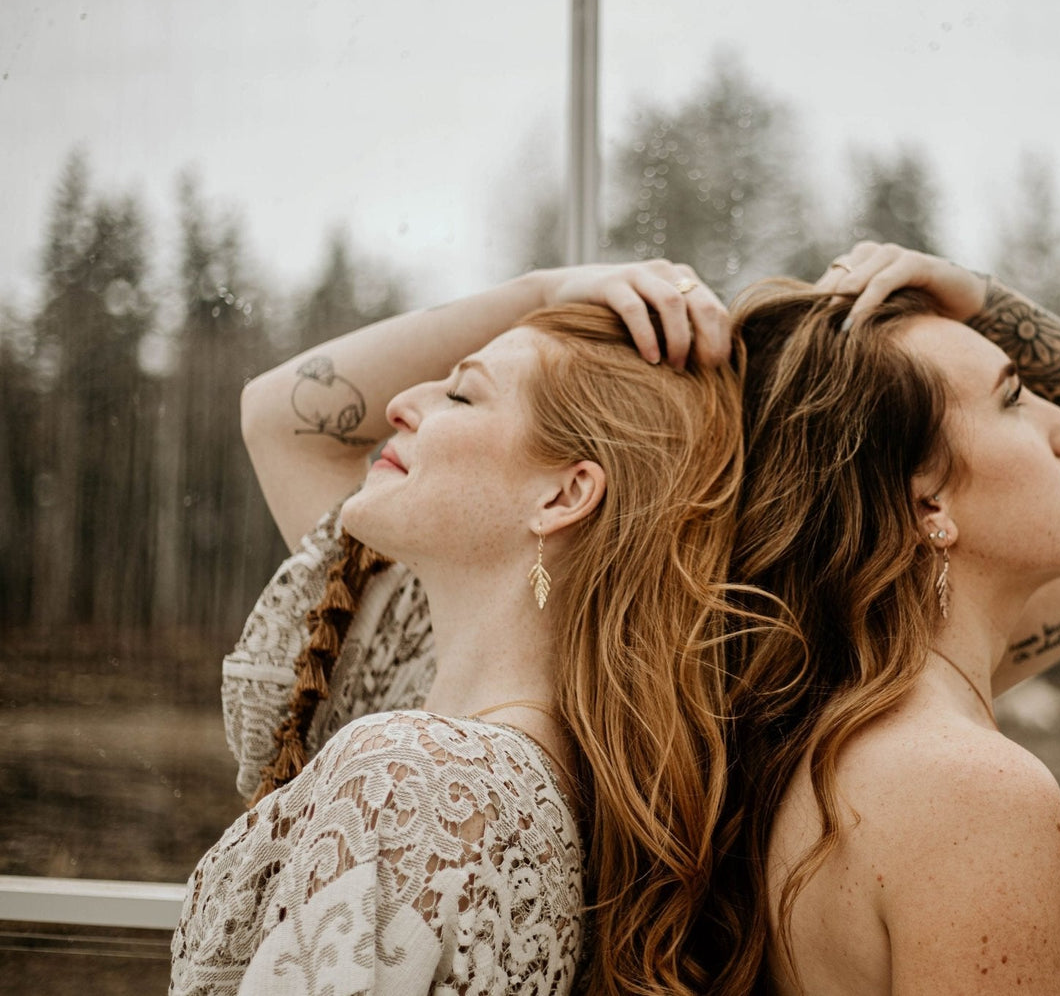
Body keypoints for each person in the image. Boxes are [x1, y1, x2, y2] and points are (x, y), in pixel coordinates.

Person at [703, 242, 1060, 995]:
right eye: (1012, 399)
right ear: (929, 502)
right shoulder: (970, 786)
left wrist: (970, 295)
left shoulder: (838, 706)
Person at [170, 260, 742, 996]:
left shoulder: (416, 776)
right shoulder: (459, 706)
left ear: (565, 495)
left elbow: (280, 413)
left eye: (462, 393)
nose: (403, 403)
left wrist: (540, 292)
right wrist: (543, 293)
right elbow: (277, 413)